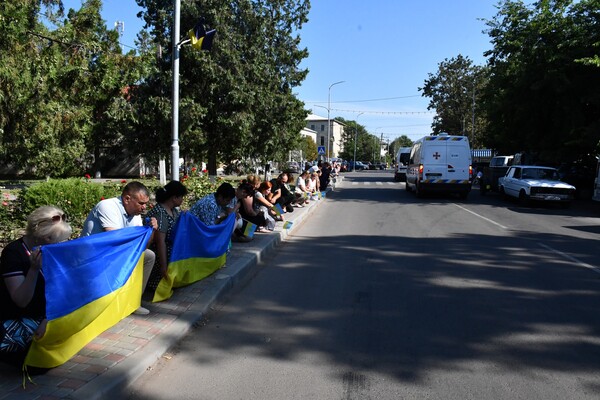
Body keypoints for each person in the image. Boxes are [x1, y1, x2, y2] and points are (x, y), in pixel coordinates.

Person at [0, 206, 72, 366]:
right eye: (51, 238)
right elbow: (21, 300)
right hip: (18, 320)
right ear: (37, 232)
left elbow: (63, 290)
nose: (56, 244)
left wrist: (48, 319)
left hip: (45, 317)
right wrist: (33, 270)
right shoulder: (14, 253)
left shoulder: (51, 250)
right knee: (37, 365)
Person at [80, 181, 157, 316]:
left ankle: (132, 303)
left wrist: (152, 230)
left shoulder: (136, 214)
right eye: (141, 203)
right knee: (131, 257)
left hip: (115, 253)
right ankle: (114, 304)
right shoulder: (107, 206)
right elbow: (116, 240)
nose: (145, 207)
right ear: (127, 198)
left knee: (148, 256)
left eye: (145, 203)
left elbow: (142, 246)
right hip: (94, 255)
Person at [145, 181, 188, 294]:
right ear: (174, 198)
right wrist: (164, 267)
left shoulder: (174, 211)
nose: (182, 200)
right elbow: (160, 243)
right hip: (160, 254)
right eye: (181, 197)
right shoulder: (161, 214)